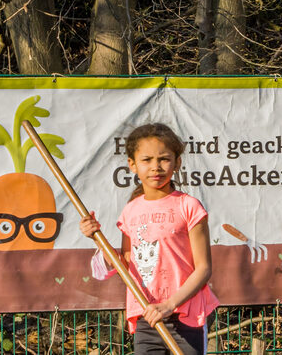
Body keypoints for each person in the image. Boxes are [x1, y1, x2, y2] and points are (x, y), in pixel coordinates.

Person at [82, 123, 219, 354]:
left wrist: (169, 305)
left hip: (186, 315)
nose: (156, 167)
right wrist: (96, 237)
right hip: (146, 315)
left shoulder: (189, 206)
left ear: (177, 163)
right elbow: (126, 265)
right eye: (146, 160)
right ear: (132, 165)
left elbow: (203, 268)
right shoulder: (130, 211)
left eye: (164, 159)